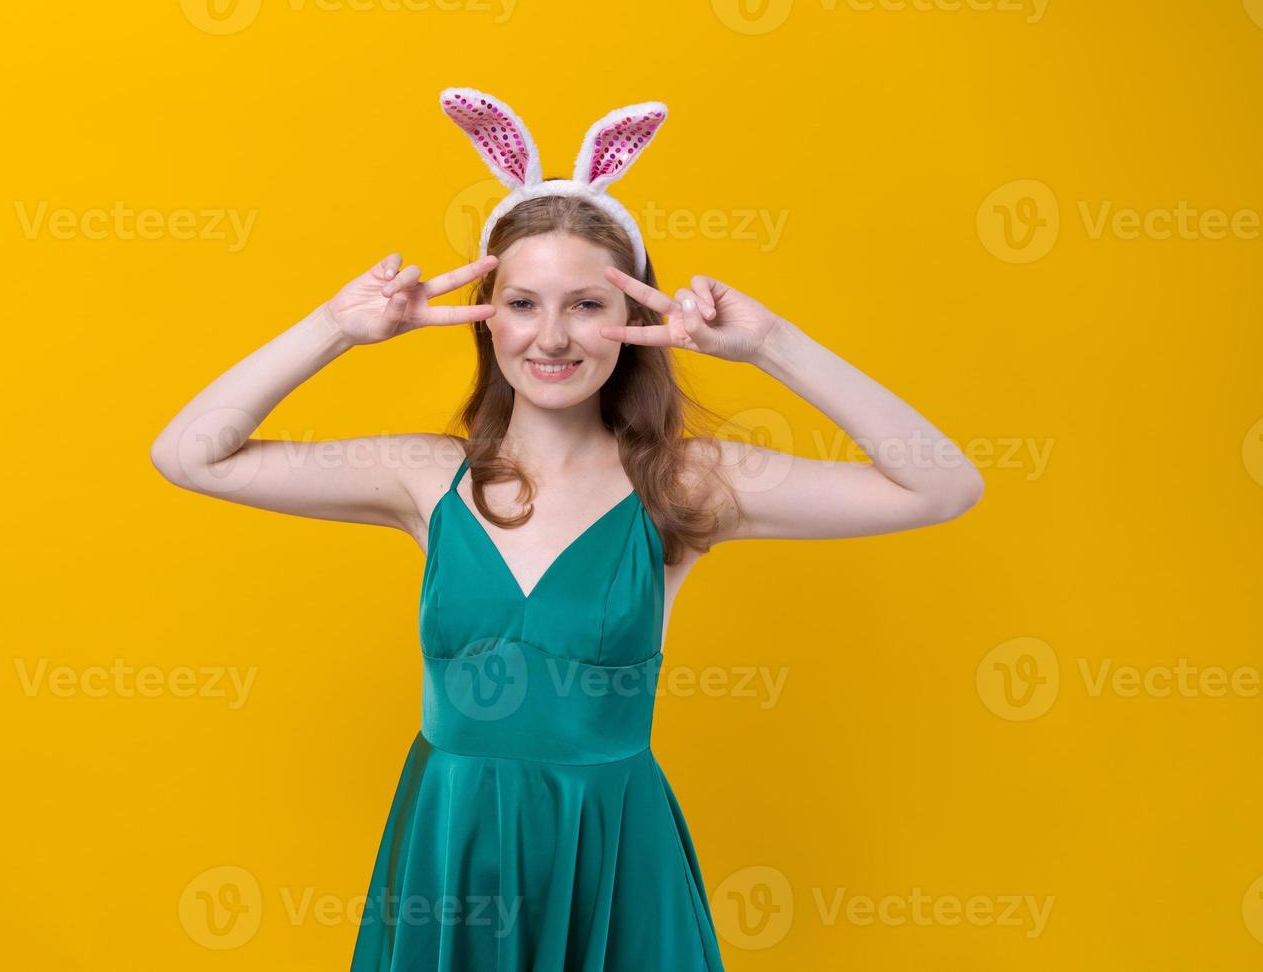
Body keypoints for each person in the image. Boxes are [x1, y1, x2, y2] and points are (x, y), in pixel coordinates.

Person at [150, 88, 983, 971]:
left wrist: (774, 344)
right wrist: (335, 330)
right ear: (486, 315)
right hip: (452, 854)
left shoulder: (687, 484)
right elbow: (191, 454)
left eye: (586, 304)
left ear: (633, 317)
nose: (551, 336)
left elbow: (941, 487)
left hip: (616, 864)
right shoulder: (425, 478)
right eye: (522, 303)